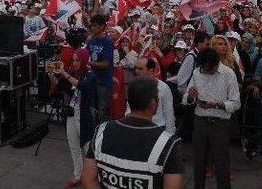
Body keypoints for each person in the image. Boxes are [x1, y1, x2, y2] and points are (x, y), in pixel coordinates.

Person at [82, 76, 184, 189]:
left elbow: (88, 179)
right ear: (154, 103)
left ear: (128, 99)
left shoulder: (101, 131)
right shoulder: (168, 144)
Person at [183, 48, 241, 188]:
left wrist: (217, 105)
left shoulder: (228, 74)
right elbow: (186, 99)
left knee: (221, 162)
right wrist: (191, 96)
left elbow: (236, 103)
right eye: (204, 68)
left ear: (216, 64)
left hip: (220, 123)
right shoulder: (197, 72)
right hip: (200, 121)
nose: (206, 71)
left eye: (209, 69)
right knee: (199, 161)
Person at [48, 48, 97, 188]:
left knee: (87, 147)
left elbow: (83, 87)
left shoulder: (90, 74)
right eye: (73, 60)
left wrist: (64, 73)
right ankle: (78, 175)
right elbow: (60, 86)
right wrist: (51, 74)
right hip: (72, 112)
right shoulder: (73, 73)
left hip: (84, 114)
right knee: (73, 145)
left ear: (84, 60)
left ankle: (91, 176)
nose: (75, 63)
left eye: (77, 60)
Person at [133, 57, 176, 134]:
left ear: (151, 70)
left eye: (140, 69)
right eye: (135, 68)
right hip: (137, 129)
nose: (136, 71)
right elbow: (129, 109)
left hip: (157, 130)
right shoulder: (134, 86)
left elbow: (169, 113)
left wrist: (169, 136)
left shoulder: (163, 88)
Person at [86, 14, 114, 123]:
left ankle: (102, 132)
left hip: (103, 80)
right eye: (91, 26)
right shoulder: (91, 40)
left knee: (103, 108)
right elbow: (87, 54)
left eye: (95, 26)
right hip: (93, 78)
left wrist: (88, 62)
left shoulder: (108, 42)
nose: (93, 28)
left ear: (102, 27)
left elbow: (105, 64)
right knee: (93, 106)